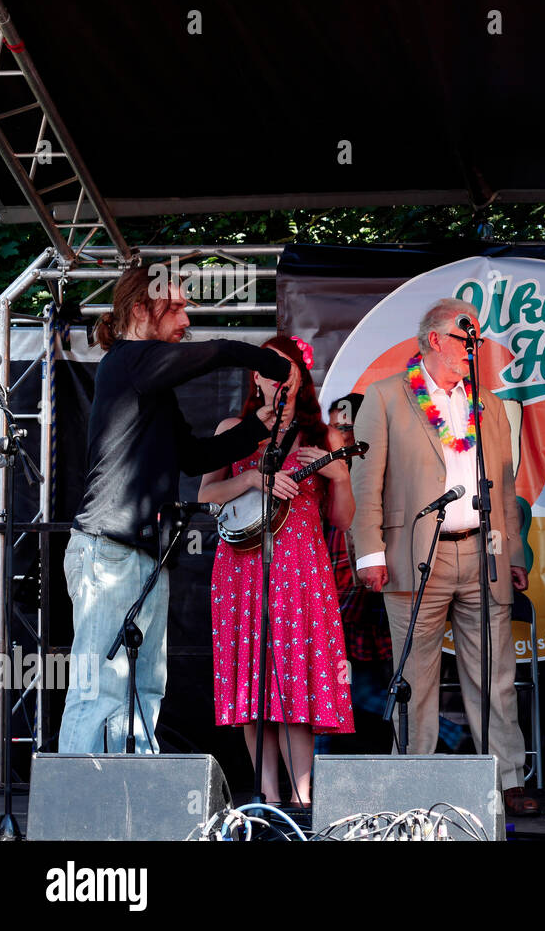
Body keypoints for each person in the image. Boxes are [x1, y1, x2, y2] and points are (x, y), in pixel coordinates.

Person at [59, 261, 292, 754]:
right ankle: (74, 817)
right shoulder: (126, 362)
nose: (186, 321)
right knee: (97, 691)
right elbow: (214, 354)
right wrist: (269, 363)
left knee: (144, 693)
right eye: (178, 308)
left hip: (145, 556)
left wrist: (258, 425)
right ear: (142, 309)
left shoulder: (151, 383)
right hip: (107, 552)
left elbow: (193, 457)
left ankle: (134, 819)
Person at [349, 298, 537, 816]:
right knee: (415, 675)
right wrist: (369, 552)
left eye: (476, 340)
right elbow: (366, 486)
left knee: (495, 673)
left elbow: (504, 487)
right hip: (414, 553)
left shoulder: (489, 403)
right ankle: (413, 777)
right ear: (435, 339)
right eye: (465, 339)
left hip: (482, 552)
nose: (473, 349)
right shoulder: (386, 397)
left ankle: (506, 778)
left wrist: (513, 552)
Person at [198, 335, 355, 805]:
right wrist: (249, 478)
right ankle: (266, 799)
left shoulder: (322, 437)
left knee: (295, 687)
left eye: (286, 368)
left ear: (301, 377)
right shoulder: (233, 428)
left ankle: (303, 799)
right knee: (253, 688)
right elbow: (206, 495)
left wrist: (340, 477)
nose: (276, 377)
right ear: (255, 377)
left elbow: (342, 520)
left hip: (301, 572)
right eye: (268, 368)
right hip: (242, 570)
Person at [318, 393, 394, 754]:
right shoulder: (324, 472)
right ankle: (317, 780)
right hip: (333, 606)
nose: (343, 435)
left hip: (372, 604)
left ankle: (447, 740)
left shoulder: (385, 470)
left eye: (350, 427)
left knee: (360, 690)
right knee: (334, 690)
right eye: (337, 427)